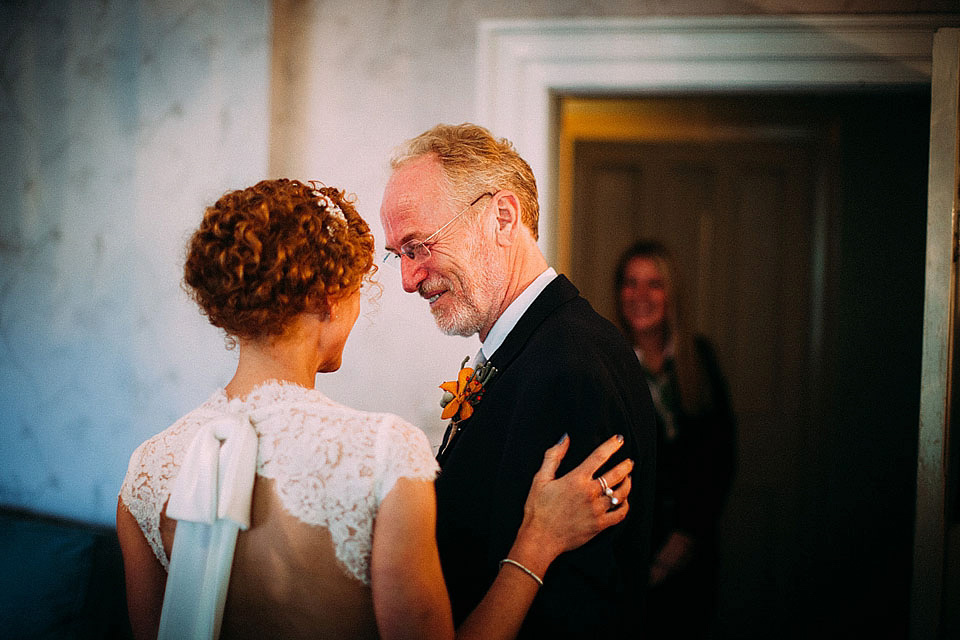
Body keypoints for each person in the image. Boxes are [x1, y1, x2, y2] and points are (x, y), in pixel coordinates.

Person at [116, 179, 634, 640]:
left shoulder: (145, 473)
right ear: (327, 298)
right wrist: (536, 542)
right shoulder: (383, 452)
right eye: (360, 287)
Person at [380, 124, 658, 638]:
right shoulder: (531, 346)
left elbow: (580, 605)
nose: (408, 279)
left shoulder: (568, 365)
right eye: (399, 255)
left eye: (418, 246)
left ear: (501, 217)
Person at [613, 240, 737, 638]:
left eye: (654, 284)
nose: (641, 296)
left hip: (692, 551)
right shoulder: (606, 361)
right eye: (631, 283)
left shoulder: (698, 357)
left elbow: (721, 457)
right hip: (627, 554)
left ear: (671, 293)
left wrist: (685, 537)